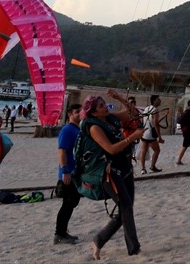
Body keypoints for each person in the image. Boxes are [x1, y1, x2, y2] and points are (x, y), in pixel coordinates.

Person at [83, 91, 144, 259]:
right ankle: (134, 248)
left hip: (125, 166)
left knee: (127, 208)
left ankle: (98, 240)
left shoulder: (109, 118)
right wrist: (132, 137)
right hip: (109, 171)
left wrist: (119, 98)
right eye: (101, 106)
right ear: (94, 112)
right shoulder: (94, 127)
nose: (105, 107)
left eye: (104, 103)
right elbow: (110, 149)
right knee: (126, 206)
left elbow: (133, 113)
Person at [54, 103, 83, 245]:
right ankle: (59, 234)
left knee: (72, 203)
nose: (80, 114)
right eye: (77, 112)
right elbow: (61, 151)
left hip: (75, 173)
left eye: (81, 111)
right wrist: (65, 170)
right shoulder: (67, 130)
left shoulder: (78, 129)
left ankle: (63, 232)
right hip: (68, 173)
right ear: (70, 114)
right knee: (67, 204)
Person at [138, 95, 165, 174]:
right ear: (154, 100)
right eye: (158, 99)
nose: (160, 101)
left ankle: (143, 169)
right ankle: (152, 166)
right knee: (157, 150)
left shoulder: (147, 108)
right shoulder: (155, 110)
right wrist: (159, 137)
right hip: (150, 134)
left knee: (143, 151)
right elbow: (156, 124)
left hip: (144, 133)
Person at [175, 100, 190, 165]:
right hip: (188, 133)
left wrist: (180, 129)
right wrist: (182, 129)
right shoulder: (188, 112)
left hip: (189, 132)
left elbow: (179, 121)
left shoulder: (186, 112)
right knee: (185, 146)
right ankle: (179, 161)